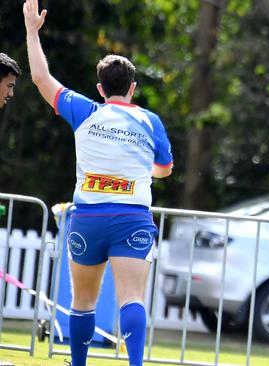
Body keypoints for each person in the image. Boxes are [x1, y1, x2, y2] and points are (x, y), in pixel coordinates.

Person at [24, 1, 174, 365]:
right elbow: (165, 169)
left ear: (100, 88)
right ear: (133, 88)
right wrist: (139, 171)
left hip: (88, 218)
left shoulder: (86, 111)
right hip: (132, 218)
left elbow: (42, 79)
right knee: (132, 298)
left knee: (82, 301)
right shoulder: (150, 121)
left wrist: (31, 31)